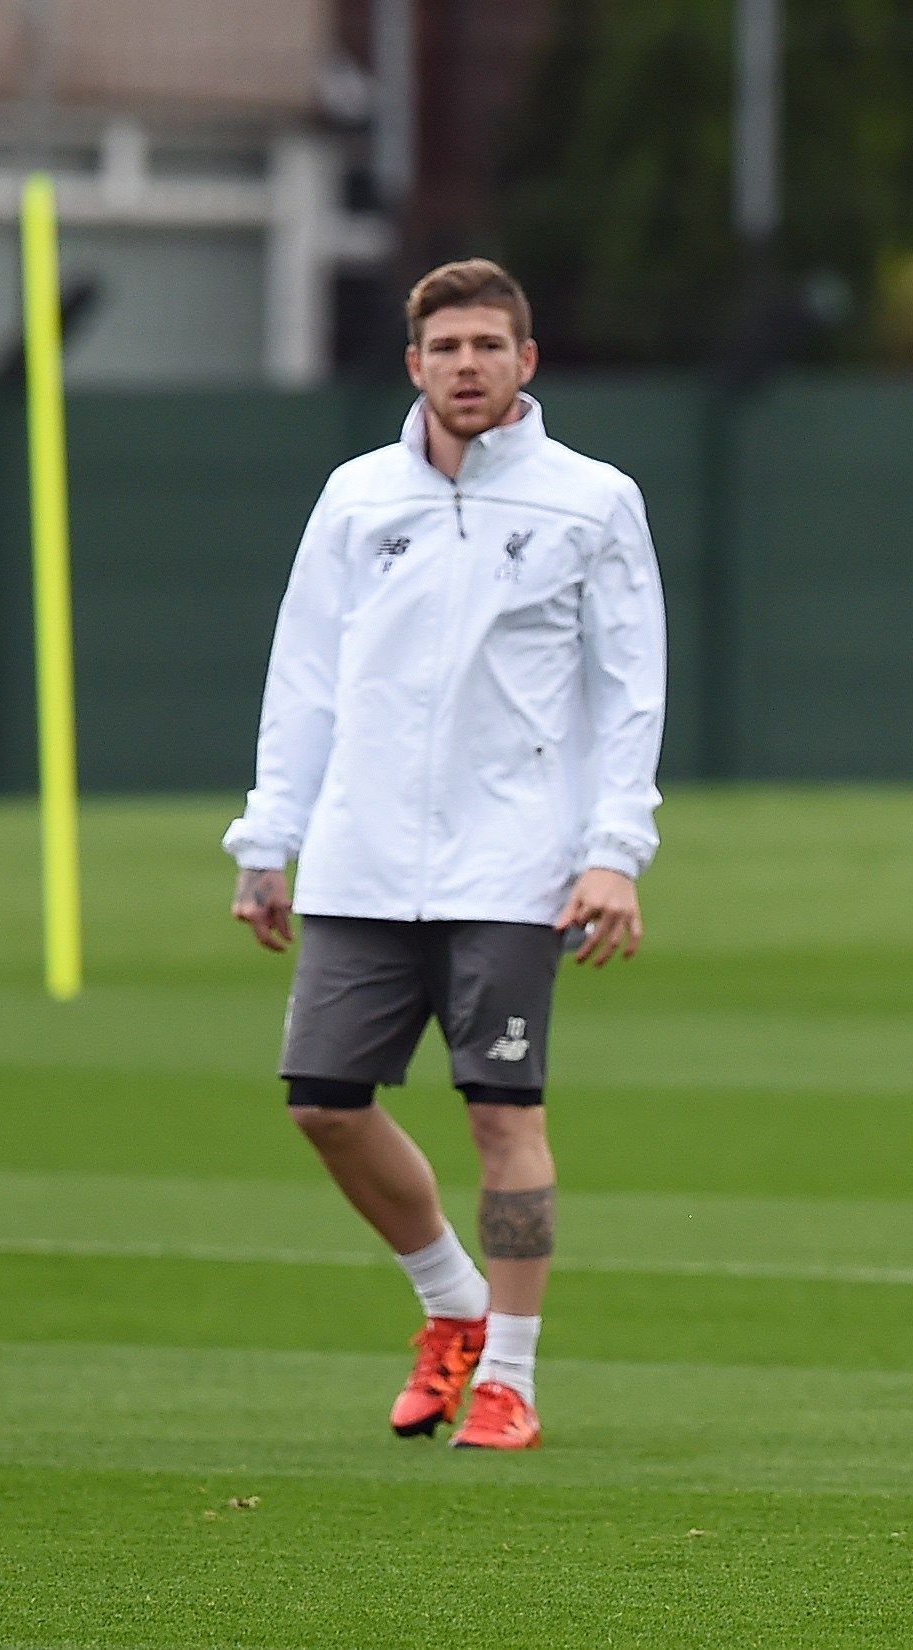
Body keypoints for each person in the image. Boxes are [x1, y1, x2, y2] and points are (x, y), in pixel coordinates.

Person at [224, 258, 667, 1451]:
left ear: (526, 360)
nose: (466, 366)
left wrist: (613, 851)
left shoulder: (591, 501)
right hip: (361, 856)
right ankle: (451, 1303)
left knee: (501, 1118)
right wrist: (268, 840)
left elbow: (631, 688)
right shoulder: (357, 497)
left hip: (515, 864)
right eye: (446, 347)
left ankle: (510, 1376)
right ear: (414, 363)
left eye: (487, 345)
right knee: (323, 1106)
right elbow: (303, 676)